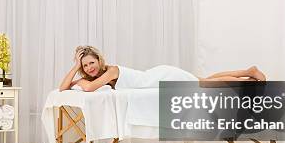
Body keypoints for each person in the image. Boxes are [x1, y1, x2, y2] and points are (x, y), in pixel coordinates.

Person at [58, 45, 266, 92]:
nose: (89, 67)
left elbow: (88, 88)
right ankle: (248, 73)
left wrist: (80, 75)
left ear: (99, 61)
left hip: (161, 77)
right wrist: (75, 67)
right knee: (204, 79)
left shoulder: (111, 71)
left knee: (204, 84)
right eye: (85, 65)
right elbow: (63, 88)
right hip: (158, 75)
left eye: (91, 62)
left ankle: (249, 76)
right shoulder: (95, 77)